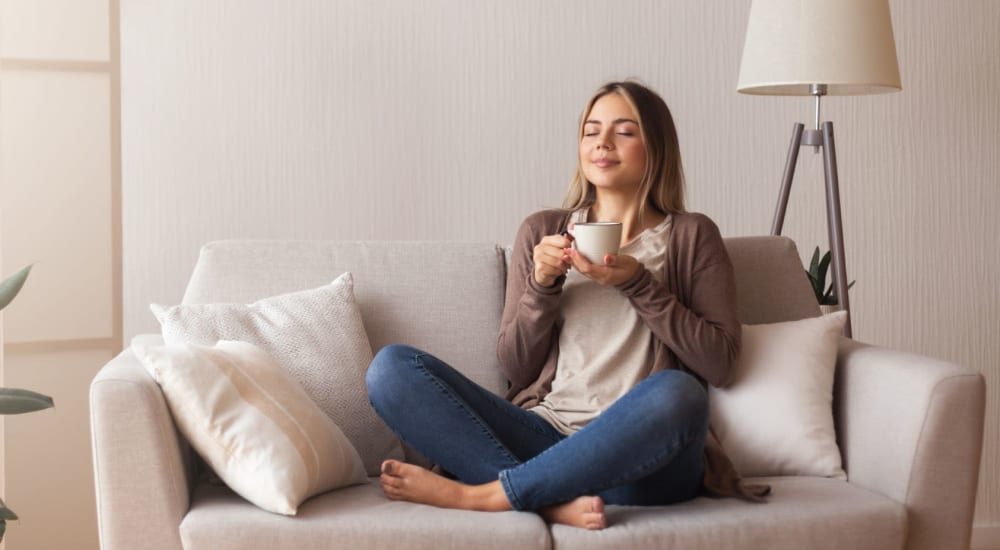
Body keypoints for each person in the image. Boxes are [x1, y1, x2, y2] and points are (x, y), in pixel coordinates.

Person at [366, 80, 762, 531]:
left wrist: (638, 283)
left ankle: (483, 494)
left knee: (680, 393)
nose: (602, 144)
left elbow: (720, 364)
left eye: (624, 131)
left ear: (657, 146)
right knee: (391, 369)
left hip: (642, 462)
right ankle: (548, 502)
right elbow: (516, 367)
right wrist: (541, 285)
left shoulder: (692, 236)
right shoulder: (543, 231)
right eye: (591, 131)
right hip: (546, 439)